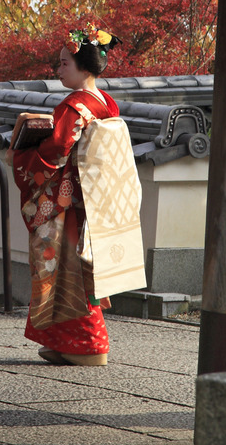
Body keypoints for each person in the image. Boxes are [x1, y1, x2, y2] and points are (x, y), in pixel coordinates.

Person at [7, 25, 132, 367]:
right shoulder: (106, 103)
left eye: (64, 64)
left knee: (66, 270)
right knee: (77, 268)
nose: (58, 69)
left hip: (66, 202)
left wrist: (24, 156)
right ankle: (63, 341)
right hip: (90, 197)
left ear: (83, 67)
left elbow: (59, 148)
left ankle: (91, 346)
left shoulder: (73, 106)